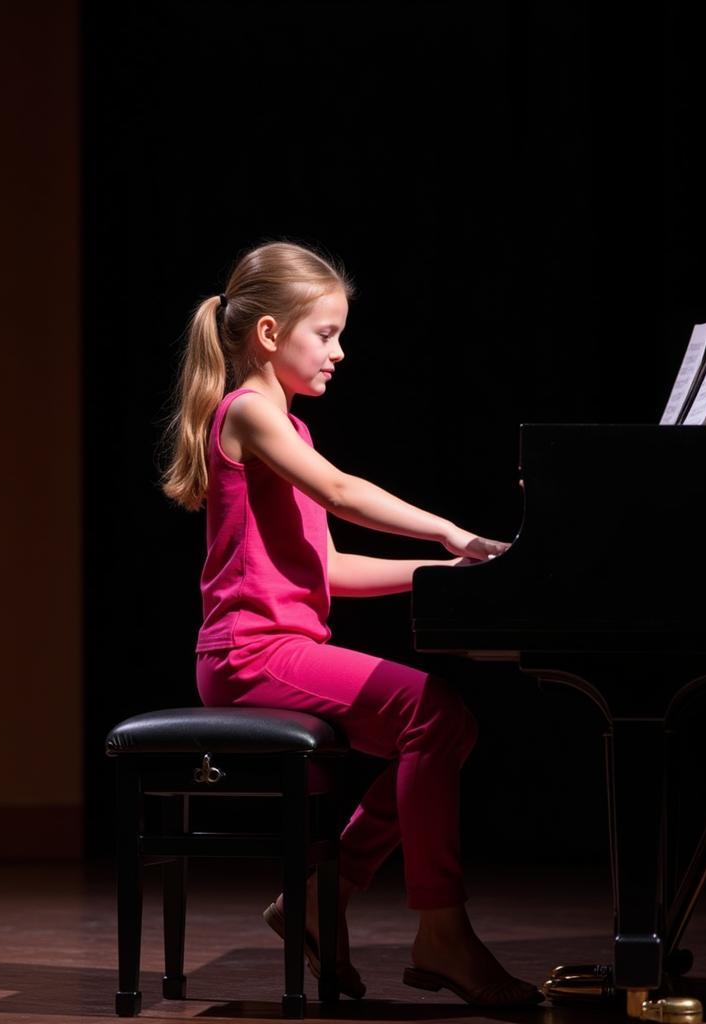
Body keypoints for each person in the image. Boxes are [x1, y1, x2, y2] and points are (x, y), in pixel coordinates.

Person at [162, 240, 540, 1007]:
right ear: (269, 334)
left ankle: (320, 899)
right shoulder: (248, 415)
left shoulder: (290, 432)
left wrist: (459, 574)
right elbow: (339, 491)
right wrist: (448, 533)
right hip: (247, 653)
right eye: (325, 333)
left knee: (447, 725)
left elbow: (328, 566)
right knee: (431, 711)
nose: (340, 350)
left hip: (281, 647)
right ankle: (439, 928)